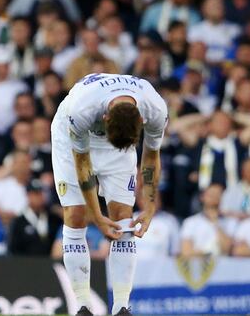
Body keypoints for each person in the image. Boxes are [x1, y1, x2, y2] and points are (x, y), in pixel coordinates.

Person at [51, 73, 168, 316]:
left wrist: (148, 206)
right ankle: (83, 305)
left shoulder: (156, 108)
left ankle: (122, 307)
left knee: (123, 218)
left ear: (142, 121)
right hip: (71, 137)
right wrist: (96, 215)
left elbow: (150, 157)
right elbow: (83, 166)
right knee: (76, 214)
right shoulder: (81, 109)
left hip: (118, 145)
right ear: (104, 118)